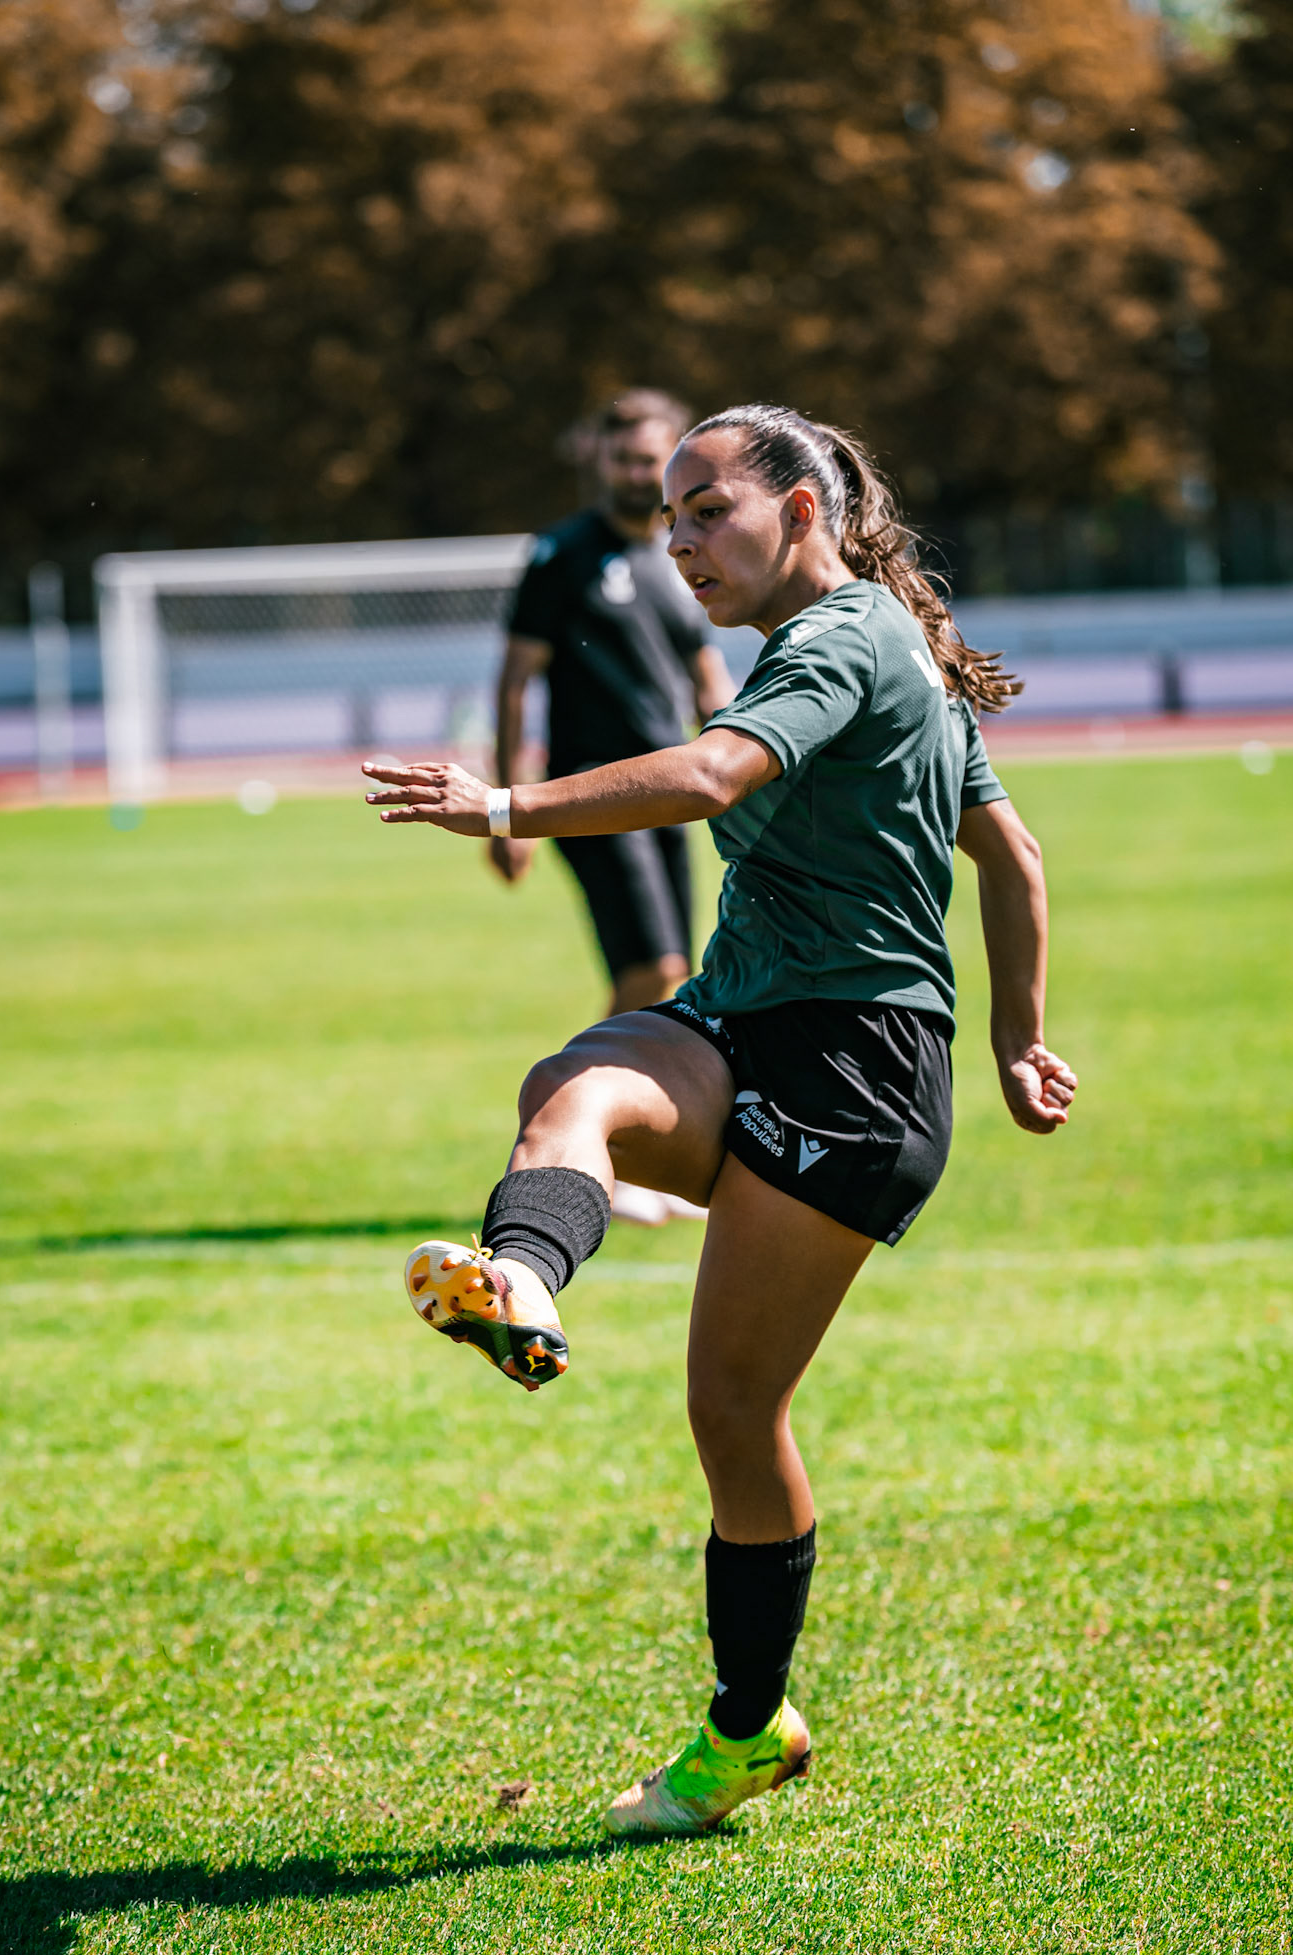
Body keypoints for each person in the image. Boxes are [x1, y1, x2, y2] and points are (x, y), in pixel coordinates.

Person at [363, 403, 1078, 1837]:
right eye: (671, 516)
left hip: (854, 1064)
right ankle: (521, 1281)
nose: (681, 541)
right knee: (573, 1087)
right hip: (743, 1015)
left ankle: (747, 1731)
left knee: (732, 1412)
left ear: (802, 511)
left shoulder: (850, 640)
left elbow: (711, 778)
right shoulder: (861, 645)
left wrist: (501, 800)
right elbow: (1009, 849)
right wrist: (1018, 1039)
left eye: (709, 511)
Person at [491, 388, 736, 1225]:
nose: (637, 472)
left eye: (650, 458)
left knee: (669, 976)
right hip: (587, 793)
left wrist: (741, 752)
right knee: (650, 975)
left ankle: (593, 1140)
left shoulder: (682, 554)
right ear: (599, 460)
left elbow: (707, 676)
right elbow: (516, 680)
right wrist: (505, 806)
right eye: (624, 457)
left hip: (666, 795)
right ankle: (605, 1154)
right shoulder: (560, 556)